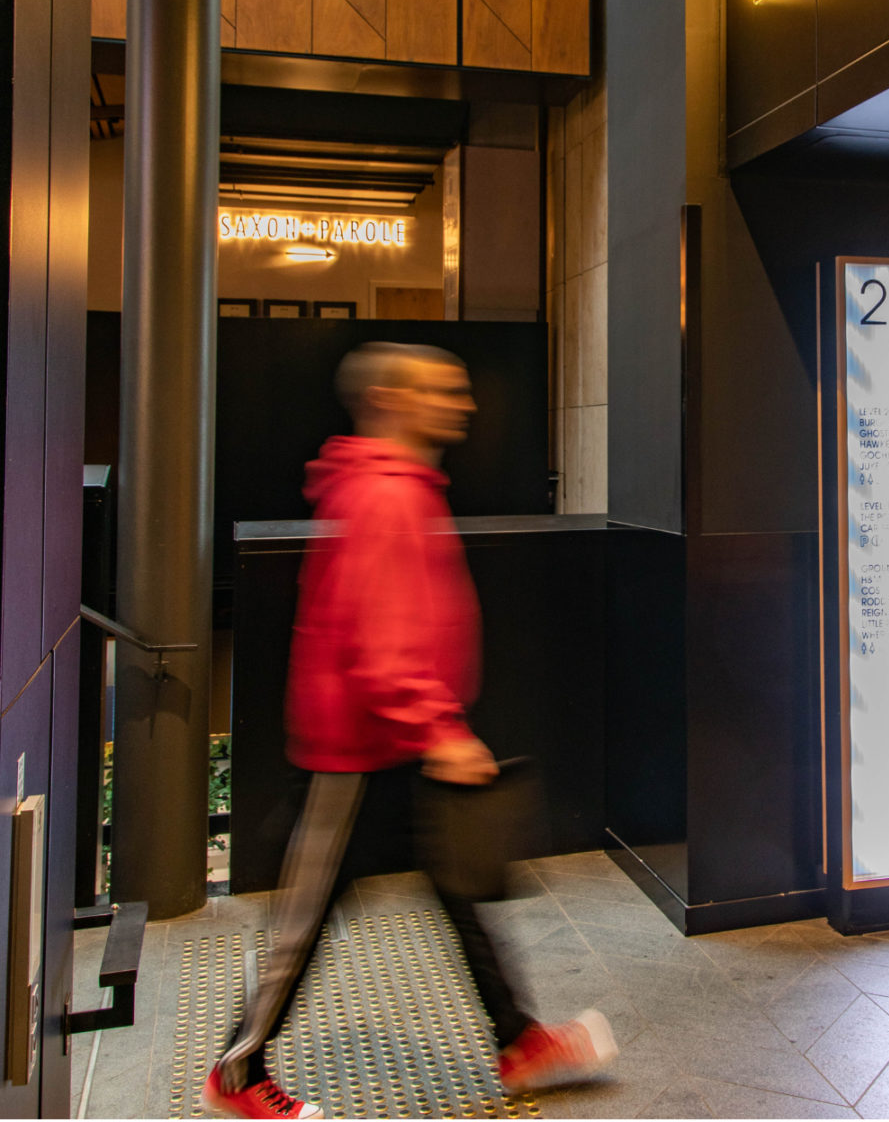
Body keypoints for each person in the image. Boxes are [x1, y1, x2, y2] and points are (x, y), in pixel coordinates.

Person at [204, 342, 616, 1120]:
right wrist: (438, 729)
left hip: (395, 741)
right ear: (393, 399)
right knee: (305, 919)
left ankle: (519, 1039)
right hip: (354, 751)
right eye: (444, 391)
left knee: (458, 889)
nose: (462, 403)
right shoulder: (382, 497)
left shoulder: (402, 488)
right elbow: (376, 633)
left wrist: (433, 726)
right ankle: (237, 1070)